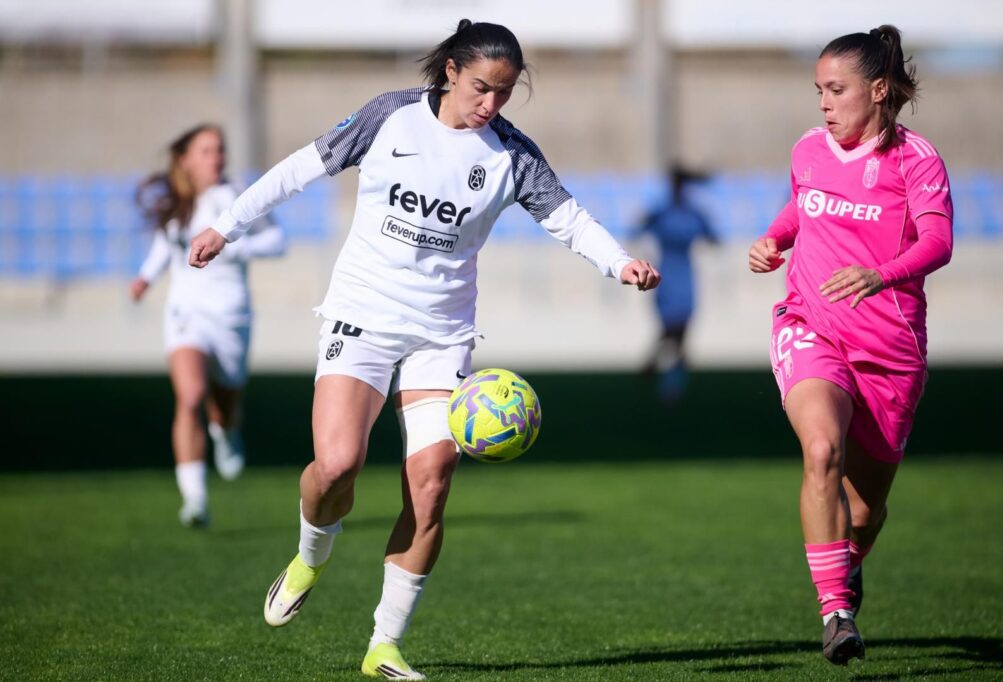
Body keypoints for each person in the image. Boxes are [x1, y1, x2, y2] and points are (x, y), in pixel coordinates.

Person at [189, 20, 659, 680]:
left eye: (503, 93)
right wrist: (225, 226)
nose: (489, 105)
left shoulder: (511, 154)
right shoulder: (391, 119)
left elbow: (568, 218)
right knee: (336, 466)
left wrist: (620, 264)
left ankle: (383, 644)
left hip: (441, 336)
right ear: (448, 73)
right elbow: (301, 167)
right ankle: (309, 557)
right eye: (479, 88)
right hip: (361, 317)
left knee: (431, 484)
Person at [748, 25, 953, 665]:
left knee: (863, 515)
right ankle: (836, 613)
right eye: (819, 90)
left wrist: (879, 274)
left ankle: (850, 561)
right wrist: (773, 239)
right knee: (820, 448)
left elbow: (938, 243)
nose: (824, 103)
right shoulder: (809, 149)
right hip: (809, 324)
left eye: (836, 90)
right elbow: (801, 207)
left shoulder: (915, 160)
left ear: (879, 89)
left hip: (890, 351)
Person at [130, 124, 286, 528]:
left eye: (220, 150)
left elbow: (277, 242)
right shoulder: (176, 203)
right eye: (206, 151)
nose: (216, 158)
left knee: (224, 406)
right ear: (185, 159)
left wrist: (235, 246)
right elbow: (166, 246)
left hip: (231, 316)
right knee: (190, 396)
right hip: (186, 314)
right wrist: (145, 278)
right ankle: (195, 498)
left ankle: (227, 431)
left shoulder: (235, 197)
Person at [639, 164, 717, 404]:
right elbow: (640, 227)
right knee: (673, 328)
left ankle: (663, 377)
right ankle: (666, 379)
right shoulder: (663, 211)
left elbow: (713, 237)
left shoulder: (689, 212)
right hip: (668, 273)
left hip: (682, 273)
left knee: (680, 332)